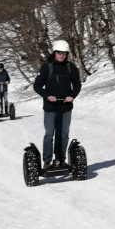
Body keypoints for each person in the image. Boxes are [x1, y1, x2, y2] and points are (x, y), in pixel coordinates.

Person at [33, 40, 81, 168]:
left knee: (64, 134)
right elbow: (37, 86)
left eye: (64, 53)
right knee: (49, 134)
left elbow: (77, 84)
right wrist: (48, 96)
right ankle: (47, 161)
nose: (62, 55)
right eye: (59, 53)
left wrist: (72, 95)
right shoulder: (47, 67)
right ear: (54, 52)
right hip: (50, 107)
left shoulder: (71, 68)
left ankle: (60, 159)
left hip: (65, 106)